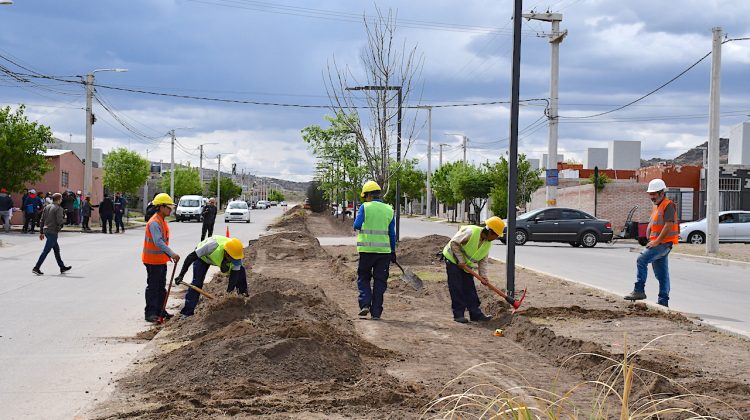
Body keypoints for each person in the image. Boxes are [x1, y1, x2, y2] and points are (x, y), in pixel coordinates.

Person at [624, 179, 678, 307]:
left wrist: (657, 241)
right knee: (662, 275)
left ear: (661, 192)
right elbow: (653, 224)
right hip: (657, 243)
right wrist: (647, 237)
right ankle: (663, 302)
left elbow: (668, 225)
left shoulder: (668, 205)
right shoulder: (657, 206)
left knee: (641, 259)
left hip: (662, 244)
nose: (651, 197)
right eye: (650, 194)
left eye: (654, 194)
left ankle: (639, 290)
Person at [442, 216, 506, 323]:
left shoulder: (487, 243)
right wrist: (460, 260)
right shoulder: (471, 231)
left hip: (466, 266)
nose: (496, 238)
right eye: (496, 235)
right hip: (452, 260)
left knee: (470, 289)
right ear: (490, 231)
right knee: (457, 287)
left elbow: (483, 260)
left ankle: (475, 314)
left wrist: (483, 276)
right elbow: (454, 242)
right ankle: (458, 315)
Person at [353, 181, 396, 320]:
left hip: (366, 250)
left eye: (365, 196)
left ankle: (365, 304)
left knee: (364, 277)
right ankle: (376, 312)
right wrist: (393, 252)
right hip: (384, 252)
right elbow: (392, 234)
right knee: (380, 281)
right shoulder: (389, 209)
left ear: (368, 195)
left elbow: (357, 225)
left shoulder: (365, 207)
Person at [175, 236, 247, 317]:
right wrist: (181, 275)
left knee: (241, 272)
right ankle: (187, 312)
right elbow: (190, 257)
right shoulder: (211, 246)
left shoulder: (236, 255)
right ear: (226, 253)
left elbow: (233, 278)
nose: (235, 261)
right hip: (203, 258)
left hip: (221, 259)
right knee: (197, 283)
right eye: (233, 259)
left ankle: (243, 300)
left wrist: (228, 296)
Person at [142, 193, 180, 323]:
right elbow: (158, 241)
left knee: (161, 287)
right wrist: (172, 253)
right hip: (152, 261)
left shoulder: (161, 221)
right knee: (153, 287)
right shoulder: (154, 222)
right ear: (161, 207)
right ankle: (150, 313)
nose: (171, 210)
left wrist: (168, 255)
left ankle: (160, 310)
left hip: (160, 260)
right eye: (169, 207)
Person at [32, 193, 72, 276]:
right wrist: (64, 221)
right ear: (58, 199)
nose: (62, 200)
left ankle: (62, 267)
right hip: (53, 231)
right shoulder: (59, 208)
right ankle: (36, 267)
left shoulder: (47, 207)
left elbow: (42, 220)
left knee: (56, 249)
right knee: (46, 251)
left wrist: (41, 232)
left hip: (46, 230)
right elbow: (59, 221)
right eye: (61, 199)